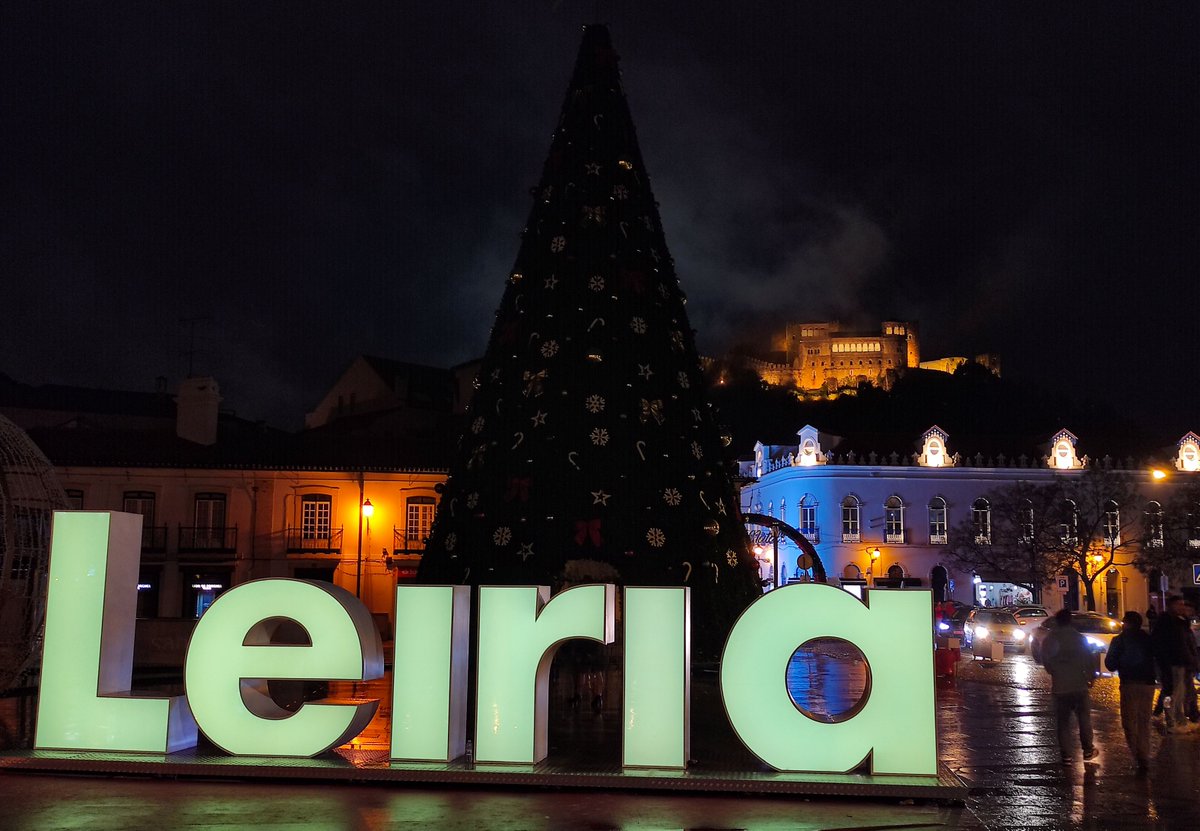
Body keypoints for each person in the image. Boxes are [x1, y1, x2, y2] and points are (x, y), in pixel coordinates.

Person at [1040, 609, 1099, 763]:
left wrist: (1054, 671)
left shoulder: (1050, 639)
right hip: (1079, 685)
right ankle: (1087, 750)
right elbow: (1089, 658)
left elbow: (1045, 660)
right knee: (1084, 719)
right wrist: (1091, 676)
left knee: (1063, 722)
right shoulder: (1079, 638)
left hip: (1060, 687)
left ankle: (1066, 754)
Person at [1105, 611, 1157, 772]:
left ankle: (1139, 756)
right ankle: (1144, 755)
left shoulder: (1119, 640)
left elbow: (1110, 664)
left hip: (1129, 684)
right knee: (1143, 722)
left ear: (1126, 623)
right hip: (1148, 684)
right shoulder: (1149, 639)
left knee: (1129, 722)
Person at [1151, 595, 1200, 733]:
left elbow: (1186, 644)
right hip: (1170, 664)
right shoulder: (1166, 621)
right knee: (1169, 694)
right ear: (1171, 605)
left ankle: (1180, 720)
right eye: (1179, 604)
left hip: (1180, 664)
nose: (1182, 607)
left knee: (1179, 694)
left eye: (1183, 604)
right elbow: (1162, 644)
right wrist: (1164, 662)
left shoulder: (1180, 621)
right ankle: (1170, 721)